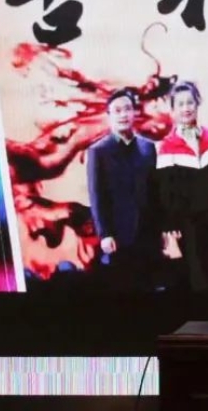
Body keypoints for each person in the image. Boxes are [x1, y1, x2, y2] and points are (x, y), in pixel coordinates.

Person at [154, 81, 208, 290]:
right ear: (173, 110)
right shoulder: (167, 147)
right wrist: (172, 223)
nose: (186, 108)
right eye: (180, 104)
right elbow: (166, 191)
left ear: (198, 104)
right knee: (199, 274)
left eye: (190, 102)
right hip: (189, 224)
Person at [86, 88, 159, 290]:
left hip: (148, 234)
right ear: (109, 116)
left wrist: (162, 229)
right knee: (124, 290)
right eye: (117, 111)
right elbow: (96, 197)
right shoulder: (98, 151)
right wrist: (105, 234)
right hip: (118, 236)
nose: (123, 115)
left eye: (127, 109)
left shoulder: (148, 147)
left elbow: (155, 191)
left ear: (134, 112)